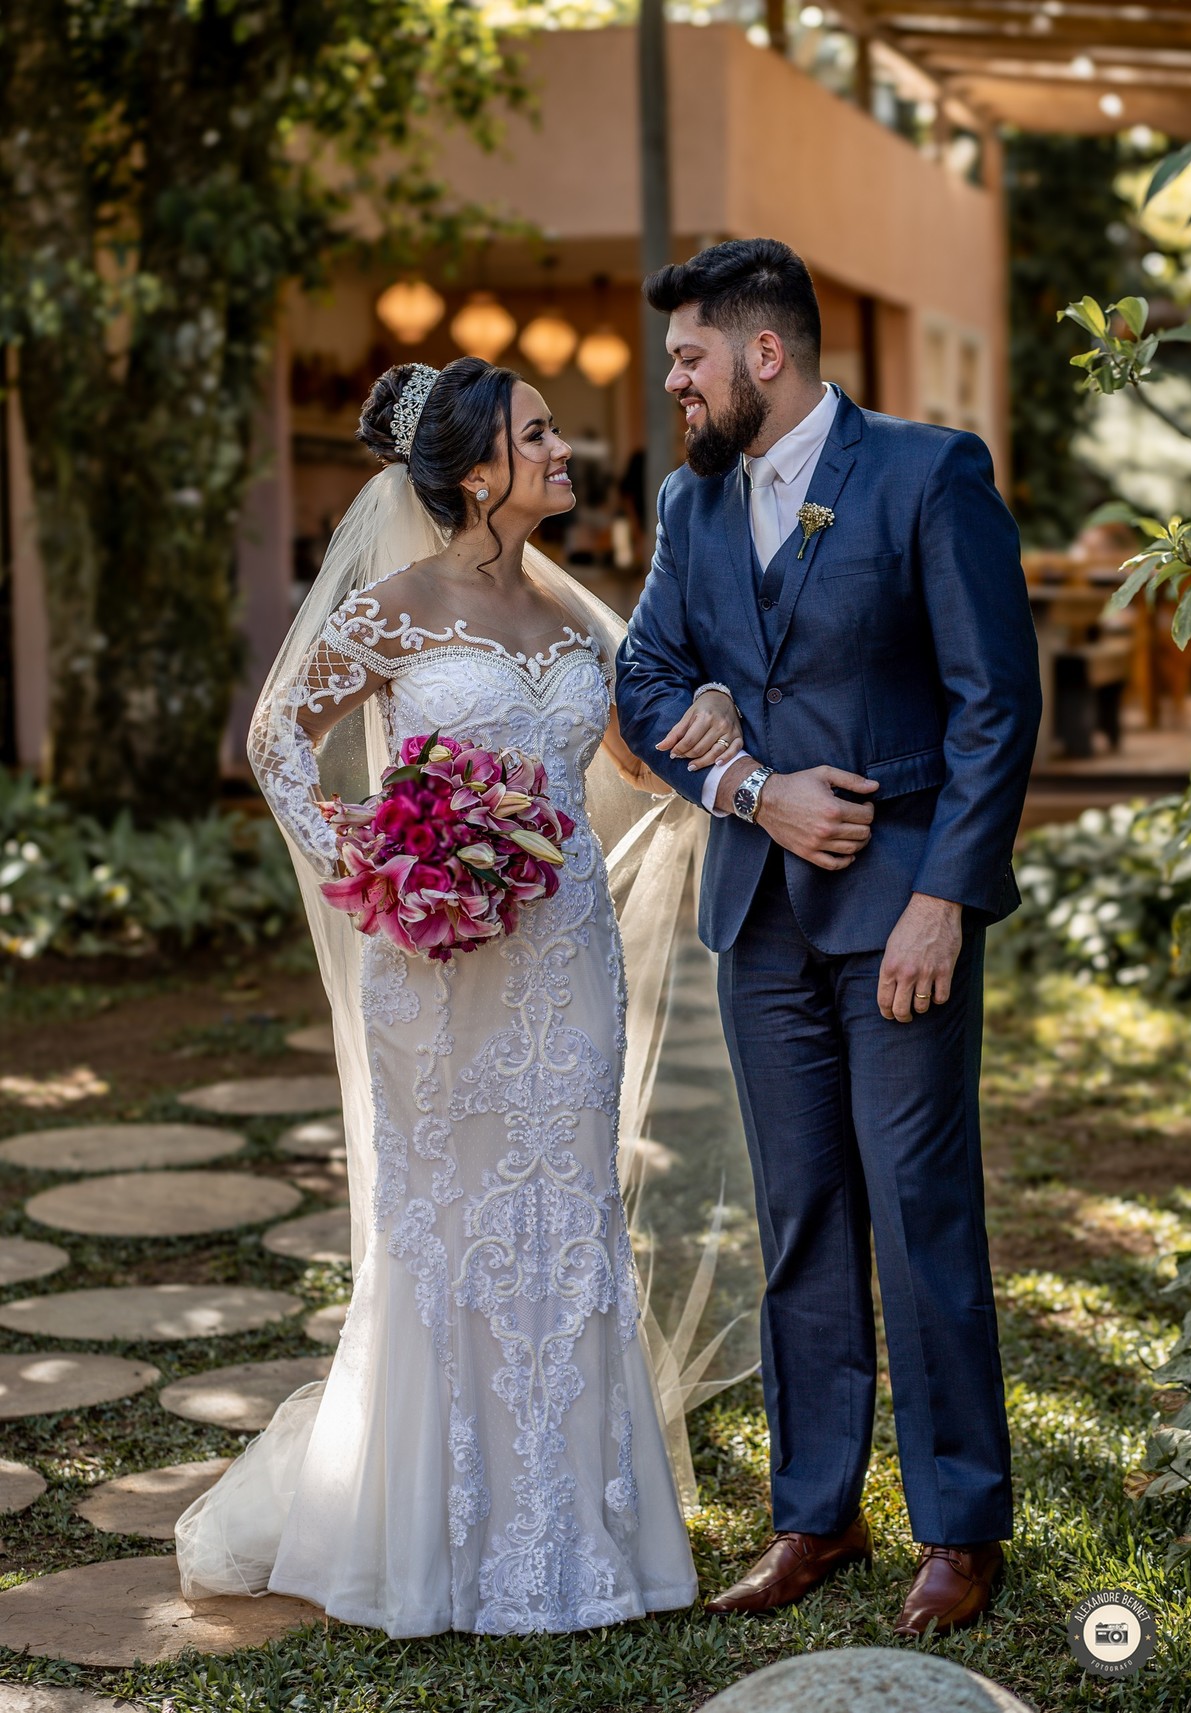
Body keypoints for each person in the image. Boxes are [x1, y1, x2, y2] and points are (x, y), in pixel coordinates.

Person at [176, 356, 744, 1636]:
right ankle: (436, 1534)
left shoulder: (573, 619)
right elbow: (275, 737)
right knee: (449, 1226)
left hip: (567, 956)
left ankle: (578, 1530)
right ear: (479, 469)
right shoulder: (396, 608)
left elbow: (635, 762)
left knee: (568, 1213)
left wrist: (707, 704)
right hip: (437, 970)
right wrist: (368, 867)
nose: (563, 449)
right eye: (537, 434)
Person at [615, 239, 1042, 1637]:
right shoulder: (691, 500)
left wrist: (944, 899)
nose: (674, 382)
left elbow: (995, 702)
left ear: (766, 352)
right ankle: (817, 1513)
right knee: (800, 1217)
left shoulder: (927, 473)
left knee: (921, 1214)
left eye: (689, 357)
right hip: (761, 917)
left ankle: (959, 1525)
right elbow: (647, 675)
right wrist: (749, 786)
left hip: (900, 914)